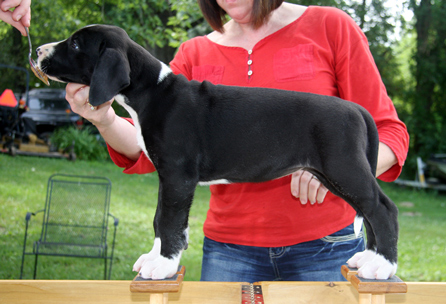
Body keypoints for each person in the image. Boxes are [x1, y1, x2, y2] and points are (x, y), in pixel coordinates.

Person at [65, 0, 409, 282]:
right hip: (229, 252)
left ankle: (383, 249)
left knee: (363, 191)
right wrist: (104, 117)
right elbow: (155, 153)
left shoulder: (332, 26)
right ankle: (167, 246)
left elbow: (390, 132)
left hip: (326, 249)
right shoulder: (191, 55)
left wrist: (328, 171)